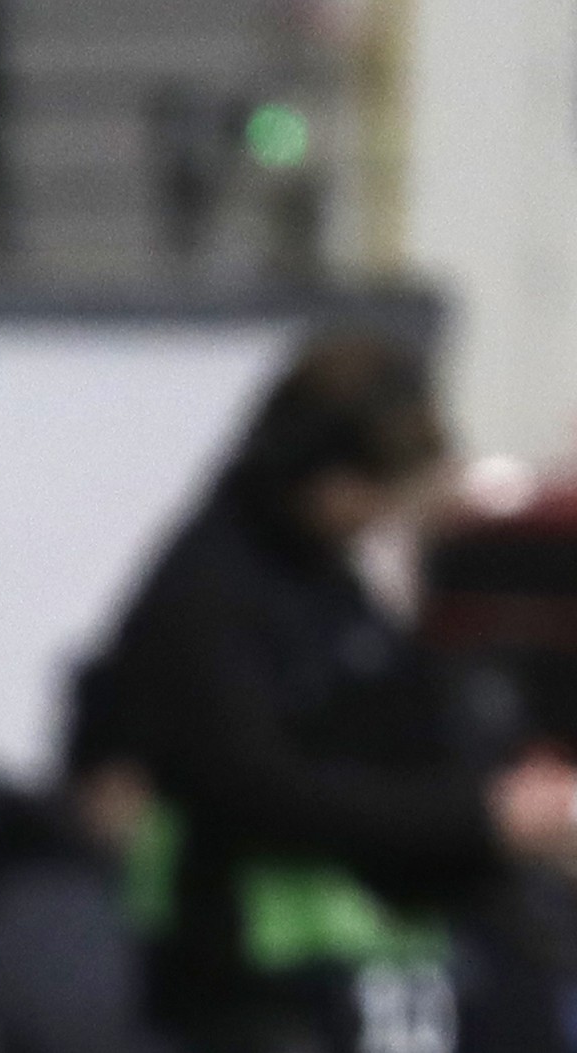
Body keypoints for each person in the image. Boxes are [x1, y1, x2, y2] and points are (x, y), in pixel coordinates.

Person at [57, 330, 577, 1053]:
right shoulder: (209, 596)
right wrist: (482, 815)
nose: (382, 516)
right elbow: (269, 790)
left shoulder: (319, 578)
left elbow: (400, 721)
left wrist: (506, 795)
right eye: (377, 490)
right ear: (328, 477)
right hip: (244, 973)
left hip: (346, 945)